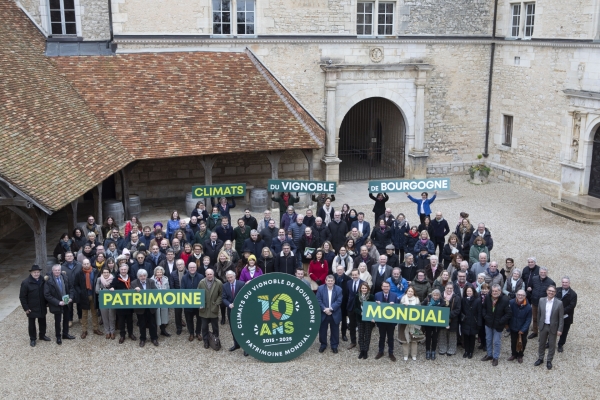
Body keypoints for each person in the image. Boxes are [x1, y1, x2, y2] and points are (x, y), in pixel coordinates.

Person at [481, 284, 512, 366]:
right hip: (488, 323)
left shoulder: (505, 300)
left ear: (500, 291)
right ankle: (489, 354)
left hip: (498, 325)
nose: (494, 292)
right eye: (493, 291)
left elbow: (508, 313)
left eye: (496, 291)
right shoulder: (488, 297)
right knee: (488, 339)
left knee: (497, 342)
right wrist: (485, 316)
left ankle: (495, 357)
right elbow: (483, 308)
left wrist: (501, 321)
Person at [44, 264, 75, 344]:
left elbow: (71, 288)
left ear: (60, 270)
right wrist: (58, 302)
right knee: (58, 321)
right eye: (55, 270)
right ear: (52, 271)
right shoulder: (49, 280)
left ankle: (65, 334)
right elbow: (47, 295)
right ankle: (58, 336)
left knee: (66, 319)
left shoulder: (65, 277)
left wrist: (71, 297)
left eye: (58, 270)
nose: (57, 272)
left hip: (66, 302)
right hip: (57, 304)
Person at [534, 285, 564, 370]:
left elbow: (561, 317)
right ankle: (540, 358)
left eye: (553, 291)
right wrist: (539, 324)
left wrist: (560, 329)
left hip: (553, 327)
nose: (551, 292)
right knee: (541, 343)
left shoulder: (559, 303)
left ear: (555, 293)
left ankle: (549, 360)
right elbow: (539, 313)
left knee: (551, 344)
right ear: (547, 291)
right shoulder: (541, 300)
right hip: (543, 326)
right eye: (549, 291)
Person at [19, 265, 49, 347]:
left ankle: (42, 335)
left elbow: (46, 292)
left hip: (42, 305)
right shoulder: (25, 283)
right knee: (32, 325)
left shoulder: (43, 280)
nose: (36, 274)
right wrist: (26, 308)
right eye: (35, 272)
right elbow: (22, 297)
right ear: (31, 273)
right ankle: (32, 338)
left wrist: (47, 303)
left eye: (38, 272)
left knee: (43, 322)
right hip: (31, 307)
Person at [73, 259, 102, 339]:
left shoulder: (95, 272)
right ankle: (84, 330)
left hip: (93, 295)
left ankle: (95, 329)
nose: (86, 265)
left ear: (90, 264)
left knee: (94, 313)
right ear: (82, 265)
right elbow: (75, 285)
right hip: (84, 296)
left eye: (87, 263)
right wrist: (80, 292)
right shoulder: (79, 273)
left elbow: (99, 282)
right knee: (84, 314)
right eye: (84, 264)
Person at [131, 269, 159, 347]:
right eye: (141, 276)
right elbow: (130, 295)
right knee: (142, 324)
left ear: (146, 276)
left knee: (152, 324)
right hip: (140, 308)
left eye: (144, 276)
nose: (143, 277)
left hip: (151, 307)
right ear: (138, 277)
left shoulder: (151, 281)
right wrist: (134, 290)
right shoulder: (134, 283)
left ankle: (154, 338)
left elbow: (155, 291)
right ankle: (142, 339)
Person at [317, 275, 343, 354]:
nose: (330, 282)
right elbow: (318, 300)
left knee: (335, 331)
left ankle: (334, 346)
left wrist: (331, 309)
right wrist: (325, 309)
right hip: (323, 313)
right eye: (328, 281)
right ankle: (323, 345)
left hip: (334, 313)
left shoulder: (339, 289)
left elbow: (339, 301)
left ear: (334, 281)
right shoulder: (320, 288)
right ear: (325, 281)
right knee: (322, 330)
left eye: (331, 281)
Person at [198, 268, 223, 349]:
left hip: (213, 308)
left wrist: (217, 303)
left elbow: (221, 294)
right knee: (204, 326)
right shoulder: (201, 282)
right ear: (205, 275)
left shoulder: (218, 282)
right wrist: (200, 303)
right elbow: (198, 294)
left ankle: (216, 340)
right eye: (208, 274)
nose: (209, 276)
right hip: (204, 309)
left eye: (211, 274)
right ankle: (205, 341)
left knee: (215, 326)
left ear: (213, 274)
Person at [223, 270, 247, 355]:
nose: (229, 279)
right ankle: (236, 344)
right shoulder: (225, 286)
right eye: (228, 277)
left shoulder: (241, 284)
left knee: (244, 328)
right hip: (231, 310)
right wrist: (228, 304)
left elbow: (245, 296)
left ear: (234, 276)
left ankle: (246, 348)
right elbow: (223, 298)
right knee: (233, 328)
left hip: (242, 310)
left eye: (231, 277)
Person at [527, 267, 555, 339]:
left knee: (544, 319)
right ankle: (535, 332)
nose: (543, 274)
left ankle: (543, 334)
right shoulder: (534, 279)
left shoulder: (551, 282)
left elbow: (553, 294)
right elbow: (530, 288)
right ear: (539, 272)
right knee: (535, 318)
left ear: (547, 273)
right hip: (535, 302)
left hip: (545, 304)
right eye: (541, 272)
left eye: (544, 273)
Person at [374, 281, 398, 361]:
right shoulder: (377, 295)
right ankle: (381, 351)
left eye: (387, 286)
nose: (386, 288)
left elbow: (398, 308)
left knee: (391, 337)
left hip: (391, 322)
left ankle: (391, 353)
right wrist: (376, 303)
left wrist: (394, 305)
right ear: (381, 287)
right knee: (382, 337)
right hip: (381, 321)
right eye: (384, 286)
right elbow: (373, 308)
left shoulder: (394, 296)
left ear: (389, 287)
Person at [181, 262, 204, 341]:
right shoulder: (184, 277)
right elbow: (182, 290)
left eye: (193, 267)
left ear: (196, 268)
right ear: (188, 268)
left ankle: (198, 333)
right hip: (188, 302)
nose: (192, 269)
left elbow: (203, 289)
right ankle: (191, 333)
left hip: (198, 302)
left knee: (199, 319)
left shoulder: (201, 276)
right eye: (190, 267)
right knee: (189, 319)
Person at [508, 289, 531, 363]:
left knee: (523, 342)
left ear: (525, 296)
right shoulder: (511, 302)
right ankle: (514, 354)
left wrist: (523, 329)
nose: (520, 296)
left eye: (522, 295)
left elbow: (528, 319)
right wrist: (508, 325)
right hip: (513, 326)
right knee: (513, 341)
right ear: (516, 295)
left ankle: (520, 355)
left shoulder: (528, 307)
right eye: (519, 295)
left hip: (523, 328)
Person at [438, 283, 461, 356]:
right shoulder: (440, 296)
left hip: (453, 319)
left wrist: (448, 315)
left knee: (452, 335)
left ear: (453, 289)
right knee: (442, 334)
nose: (449, 289)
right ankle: (442, 348)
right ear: (445, 288)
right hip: (441, 318)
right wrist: (443, 315)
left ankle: (451, 349)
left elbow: (458, 309)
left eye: (451, 288)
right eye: (448, 288)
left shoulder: (457, 298)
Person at [399, 286, 421, 361]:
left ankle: (413, 354)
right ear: (406, 292)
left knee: (414, 339)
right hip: (404, 323)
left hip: (414, 323)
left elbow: (420, 310)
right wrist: (403, 306)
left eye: (412, 291)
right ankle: (405, 354)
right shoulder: (402, 299)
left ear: (414, 292)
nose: (410, 292)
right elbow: (399, 310)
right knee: (405, 339)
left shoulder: (417, 300)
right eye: (409, 291)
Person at [354, 281, 374, 359]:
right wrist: (360, 313)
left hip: (368, 319)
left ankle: (366, 350)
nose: (364, 289)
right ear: (360, 289)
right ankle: (362, 350)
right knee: (361, 334)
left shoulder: (371, 297)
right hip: (360, 318)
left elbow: (373, 308)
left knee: (368, 335)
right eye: (363, 288)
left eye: (365, 288)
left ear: (368, 289)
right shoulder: (357, 296)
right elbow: (355, 308)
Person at [556, 276, 577, 353]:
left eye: (566, 282)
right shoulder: (557, 290)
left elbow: (571, 306)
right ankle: (549, 342)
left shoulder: (573, 294)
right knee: (552, 329)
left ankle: (560, 345)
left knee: (564, 331)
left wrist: (560, 312)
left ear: (569, 283)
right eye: (563, 282)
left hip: (566, 317)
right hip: (555, 316)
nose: (564, 284)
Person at [421, 289, 443, 360]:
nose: (435, 297)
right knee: (428, 337)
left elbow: (444, 309)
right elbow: (422, 306)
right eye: (434, 295)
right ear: (432, 295)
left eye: (437, 295)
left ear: (439, 296)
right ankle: (427, 350)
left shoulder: (442, 301)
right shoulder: (428, 300)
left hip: (437, 323)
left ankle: (433, 350)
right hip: (428, 322)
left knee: (435, 337)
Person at [461, 285, 481, 359]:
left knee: (472, 337)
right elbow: (461, 310)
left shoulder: (477, 300)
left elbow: (479, 312)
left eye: (470, 291)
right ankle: (466, 351)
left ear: (473, 292)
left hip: (473, 321)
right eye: (467, 291)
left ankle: (471, 351)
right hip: (465, 321)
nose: (469, 292)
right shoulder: (463, 299)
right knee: (465, 337)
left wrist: (479, 323)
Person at [95, 266, 116, 339]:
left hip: (112, 300)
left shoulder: (113, 279)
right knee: (104, 316)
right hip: (102, 300)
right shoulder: (99, 279)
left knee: (112, 316)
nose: (106, 274)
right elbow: (97, 291)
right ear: (102, 273)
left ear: (109, 273)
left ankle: (112, 331)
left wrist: (102, 289)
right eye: (104, 272)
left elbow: (116, 289)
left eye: (107, 272)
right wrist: (108, 290)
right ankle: (107, 332)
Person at [152, 266, 171, 337]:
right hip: (155, 300)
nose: (159, 273)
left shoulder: (166, 279)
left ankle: (163, 330)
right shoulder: (151, 280)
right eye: (158, 272)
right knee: (156, 315)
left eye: (160, 272)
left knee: (163, 314)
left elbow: (168, 289)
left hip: (164, 300)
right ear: (155, 273)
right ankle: (155, 332)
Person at [334, 265, 351, 341]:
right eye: (338, 270)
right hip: (334, 302)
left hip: (344, 302)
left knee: (344, 320)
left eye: (341, 270)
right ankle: (335, 334)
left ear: (344, 270)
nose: (339, 271)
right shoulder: (332, 277)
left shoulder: (348, 279)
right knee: (334, 319)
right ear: (336, 270)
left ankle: (343, 334)